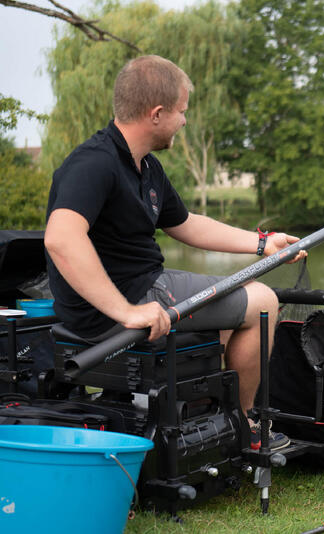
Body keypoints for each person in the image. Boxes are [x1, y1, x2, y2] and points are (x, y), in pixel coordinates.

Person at [44, 55, 305, 450]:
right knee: (264, 302)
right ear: (157, 113)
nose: (184, 121)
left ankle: (204, 417)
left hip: (145, 287)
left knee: (234, 300)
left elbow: (185, 223)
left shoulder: (146, 166)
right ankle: (243, 426)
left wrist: (262, 244)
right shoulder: (94, 163)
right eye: (182, 112)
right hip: (119, 302)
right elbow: (61, 239)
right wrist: (126, 311)